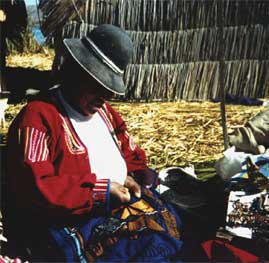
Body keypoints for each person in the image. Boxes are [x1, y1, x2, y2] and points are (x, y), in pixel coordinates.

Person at [4, 24, 182, 262]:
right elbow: (37, 187)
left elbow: (130, 152)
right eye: (96, 86)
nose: (103, 98)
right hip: (67, 222)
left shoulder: (105, 113)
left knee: (171, 221)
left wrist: (131, 176)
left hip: (116, 208)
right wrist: (101, 191)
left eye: (108, 90)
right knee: (146, 242)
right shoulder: (38, 117)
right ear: (75, 74)